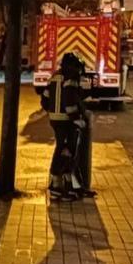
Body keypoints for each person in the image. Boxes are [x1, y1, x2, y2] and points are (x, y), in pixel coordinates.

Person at [41, 53, 88, 201]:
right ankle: (57, 186)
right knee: (66, 150)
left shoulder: (55, 76)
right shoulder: (71, 77)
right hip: (66, 120)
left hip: (55, 120)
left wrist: (52, 111)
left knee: (64, 149)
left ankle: (67, 185)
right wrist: (75, 118)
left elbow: (45, 99)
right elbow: (69, 100)